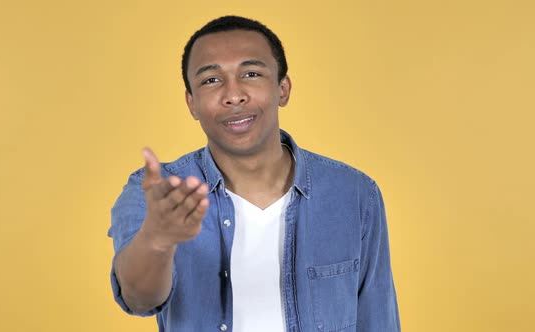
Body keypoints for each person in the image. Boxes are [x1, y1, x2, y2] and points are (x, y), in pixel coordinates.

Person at [108, 15, 400, 332]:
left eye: (251, 73)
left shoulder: (354, 193)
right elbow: (139, 299)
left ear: (283, 88)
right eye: (211, 80)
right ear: (191, 103)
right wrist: (157, 239)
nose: (234, 95)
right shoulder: (155, 193)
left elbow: (377, 318)